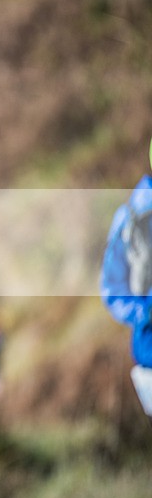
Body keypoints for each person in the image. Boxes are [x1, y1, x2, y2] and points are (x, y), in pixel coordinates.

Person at [101, 140, 152, 419]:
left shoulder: (130, 215)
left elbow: (111, 291)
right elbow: (112, 291)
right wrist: (146, 312)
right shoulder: (132, 219)